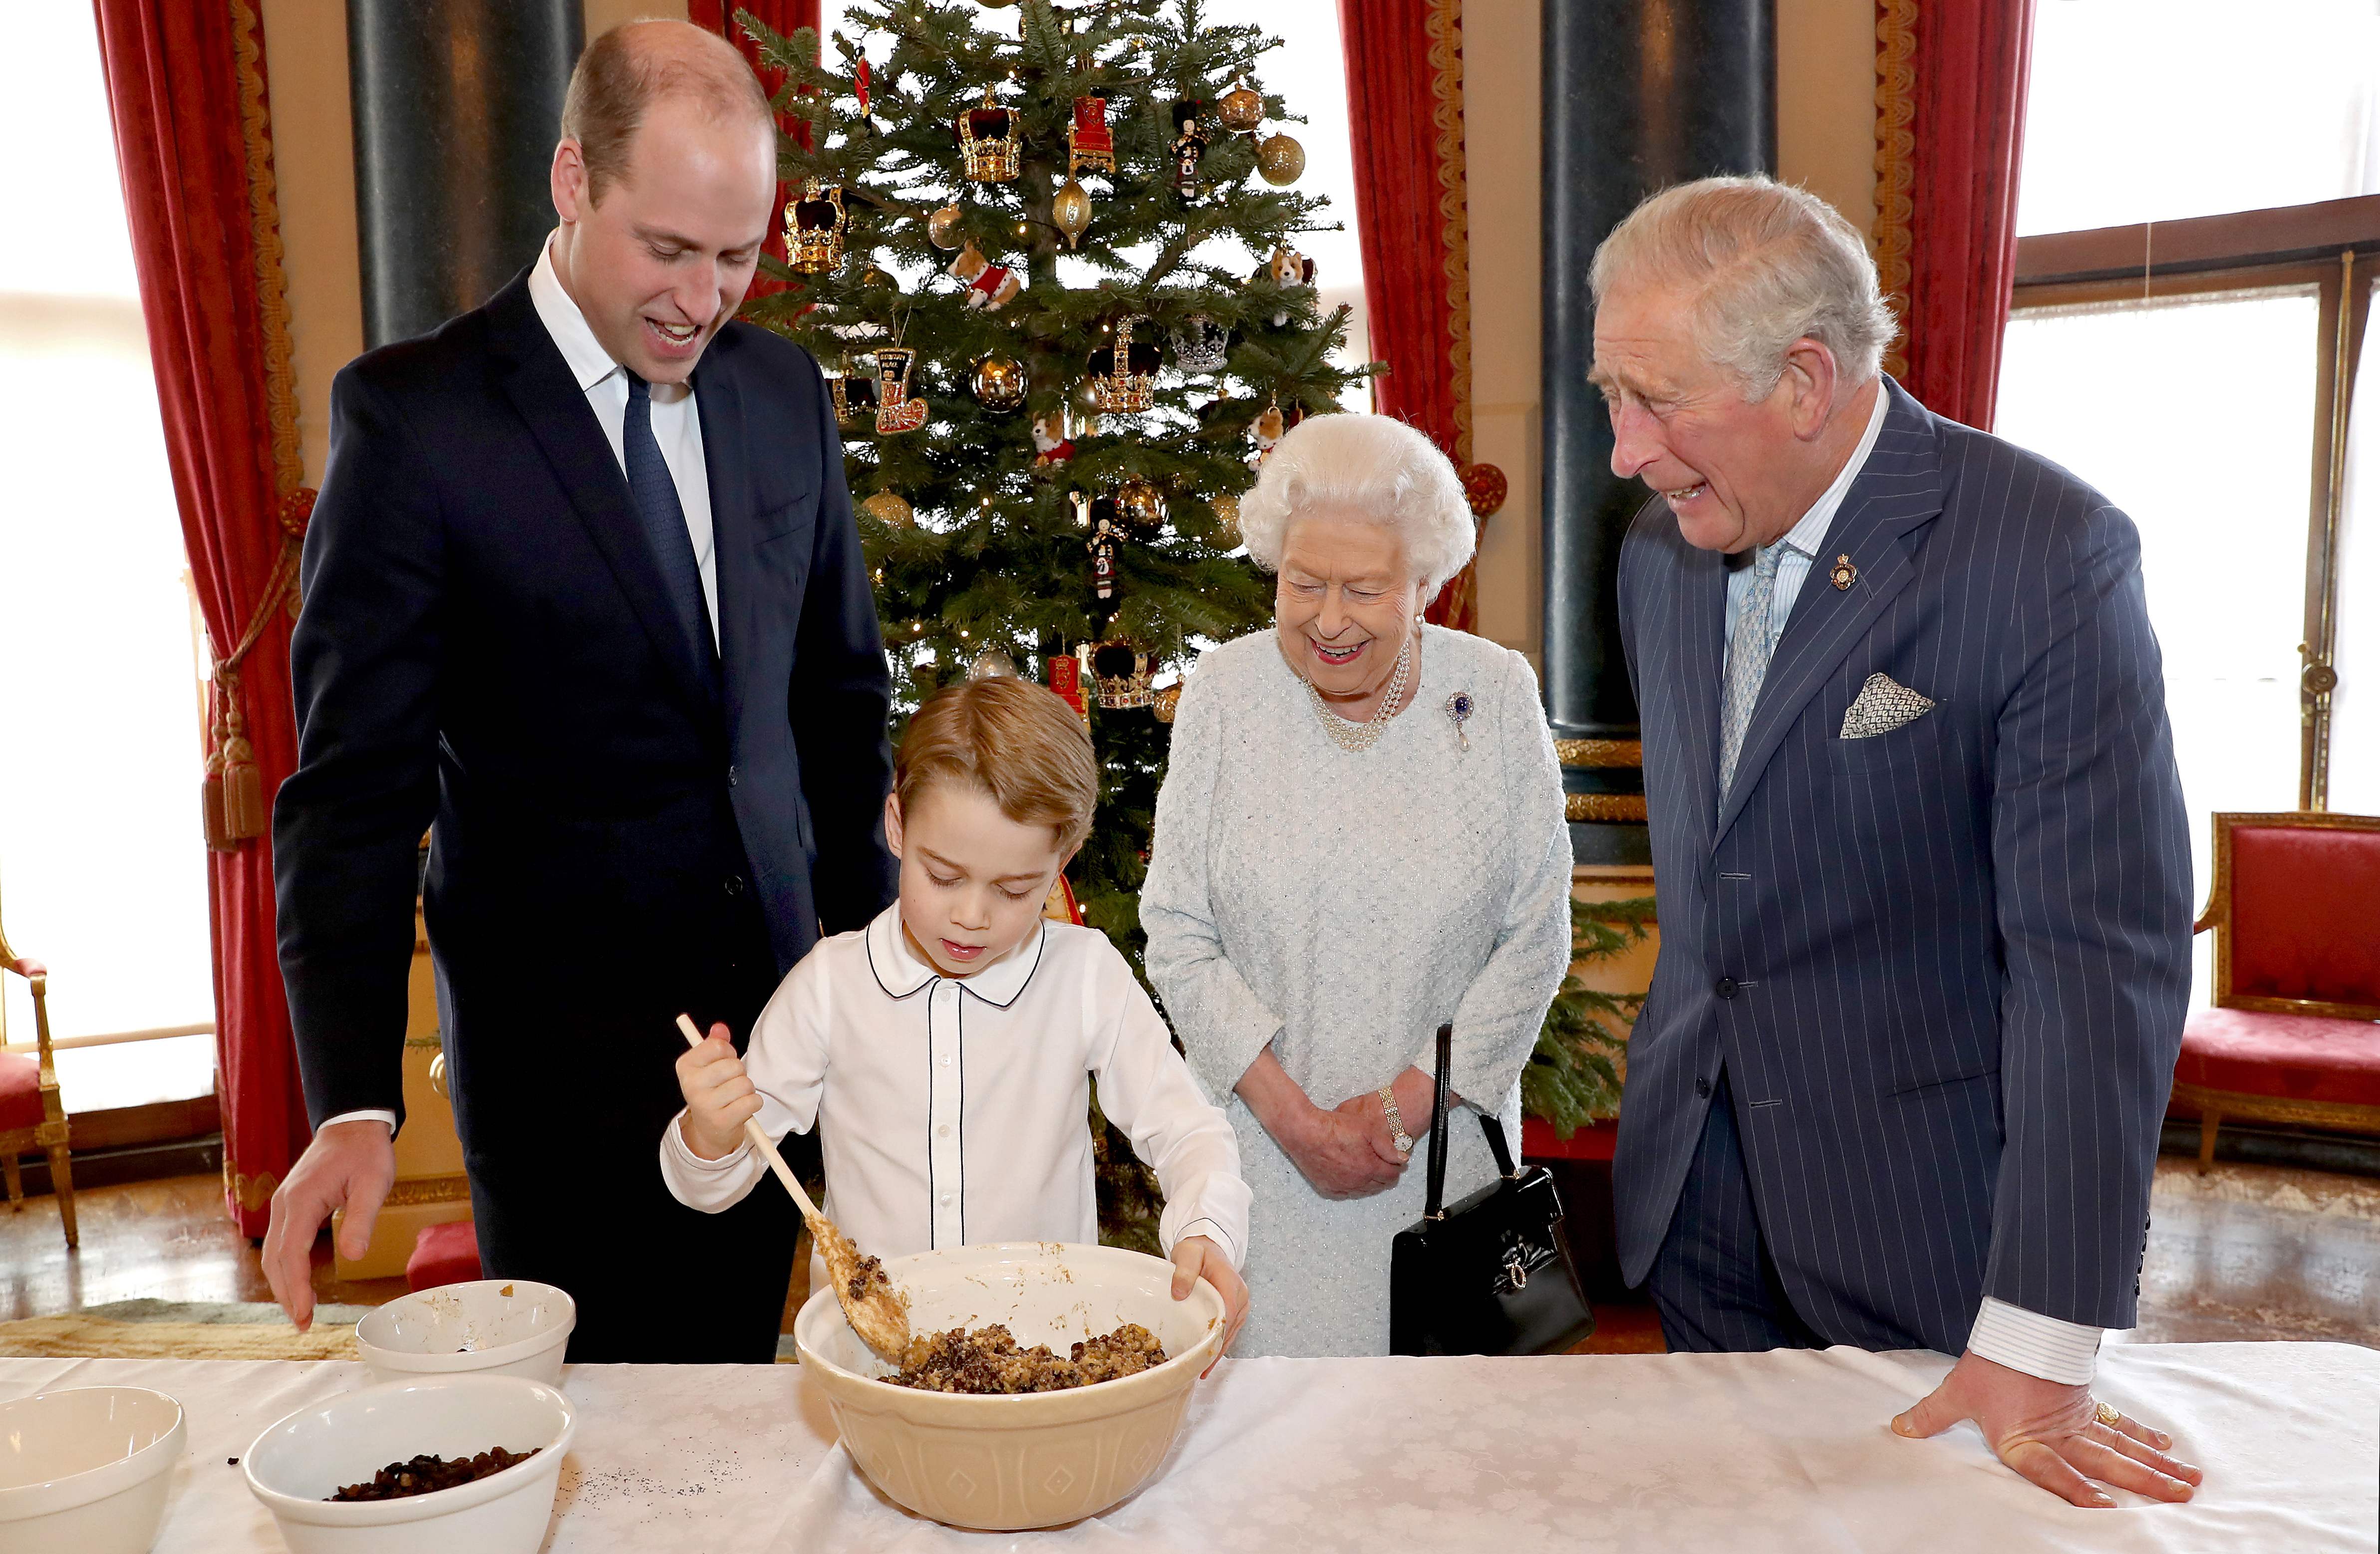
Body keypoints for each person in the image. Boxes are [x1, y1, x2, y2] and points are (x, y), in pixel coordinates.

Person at [262, 20, 897, 1362]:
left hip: (778, 1037)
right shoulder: (416, 422)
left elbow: (839, 706)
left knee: (736, 1412)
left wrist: (883, 976)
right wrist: (350, 1101)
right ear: (571, 183)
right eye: (666, 249)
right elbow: (354, 794)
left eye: (736, 258)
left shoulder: (782, 392)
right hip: (566, 1082)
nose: (702, 297)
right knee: (598, 1455)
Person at [1595, 174, 2204, 1506]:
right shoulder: (1658, 552)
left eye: (1657, 401)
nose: (1625, 452)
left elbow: (2100, 966)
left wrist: (2043, 1334)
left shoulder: (2048, 553)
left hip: (1926, 1236)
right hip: (1694, 1200)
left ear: (1807, 382)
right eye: (1609, 399)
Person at [1141, 413, 1571, 1357]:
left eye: (1366, 589)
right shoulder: (1222, 693)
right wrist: (1297, 1122)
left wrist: (1394, 1111)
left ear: (1425, 585)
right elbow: (1175, 928)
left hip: (1440, 1178)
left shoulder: (1495, 695)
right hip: (1256, 1168)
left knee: (1437, 1470)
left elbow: (1536, 935)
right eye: (1304, 584)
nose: (1329, 620)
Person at [665, 677, 1251, 1355]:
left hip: (1042, 1359)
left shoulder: (1084, 975)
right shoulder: (830, 984)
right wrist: (711, 1135)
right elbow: (714, 1184)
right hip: (871, 1365)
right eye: (943, 876)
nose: (971, 916)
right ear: (897, 826)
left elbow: (1188, 1129)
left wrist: (1206, 1226)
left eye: (1012, 889)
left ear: (1059, 862)